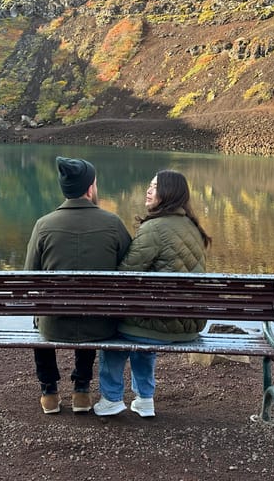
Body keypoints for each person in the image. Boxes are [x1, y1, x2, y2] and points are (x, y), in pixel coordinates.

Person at [94, 169, 212, 418]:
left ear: (169, 193)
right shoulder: (193, 228)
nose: (148, 190)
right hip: (189, 325)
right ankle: (144, 399)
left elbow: (126, 274)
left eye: (155, 186)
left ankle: (111, 398)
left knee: (117, 331)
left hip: (161, 325)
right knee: (143, 324)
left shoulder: (155, 228)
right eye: (149, 185)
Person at [24, 156, 132, 414]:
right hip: (99, 324)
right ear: (89, 188)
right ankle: (81, 391)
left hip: (54, 325)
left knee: (41, 312)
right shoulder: (113, 223)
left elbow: (29, 276)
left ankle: (49, 391)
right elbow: (130, 273)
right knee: (91, 303)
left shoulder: (43, 225)